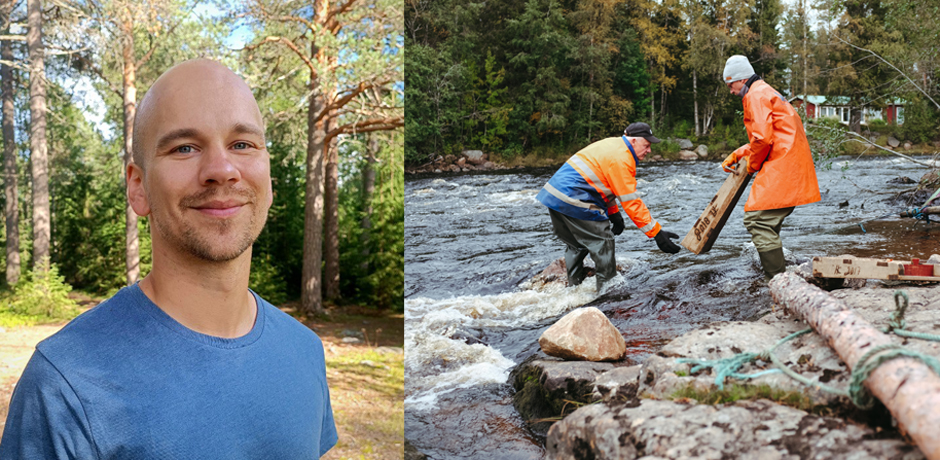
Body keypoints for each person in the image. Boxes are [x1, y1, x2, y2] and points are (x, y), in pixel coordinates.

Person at [0, 59, 337, 459]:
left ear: (268, 177)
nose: (222, 170)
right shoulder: (65, 384)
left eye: (242, 144)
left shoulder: (303, 352)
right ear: (138, 188)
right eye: (185, 148)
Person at [536, 122, 682, 291]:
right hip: (574, 198)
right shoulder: (623, 158)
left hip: (553, 196)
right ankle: (608, 292)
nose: (649, 150)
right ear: (633, 141)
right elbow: (631, 200)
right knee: (603, 241)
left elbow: (603, 182)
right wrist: (656, 233)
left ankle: (573, 289)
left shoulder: (613, 145)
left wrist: (614, 213)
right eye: (647, 145)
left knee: (577, 245)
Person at [720, 55, 821, 279]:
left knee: (757, 219)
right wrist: (739, 153)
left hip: (784, 165)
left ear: (741, 79)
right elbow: (770, 136)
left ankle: (777, 280)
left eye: (731, 85)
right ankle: (780, 272)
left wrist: (751, 166)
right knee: (767, 219)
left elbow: (763, 140)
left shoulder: (755, 95)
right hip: (791, 162)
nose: (731, 91)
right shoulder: (766, 91)